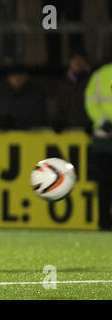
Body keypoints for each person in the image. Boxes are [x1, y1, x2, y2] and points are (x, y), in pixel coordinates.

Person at [84, 61, 112, 231]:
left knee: (105, 183)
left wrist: (104, 123)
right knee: (105, 183)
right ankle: (104, 222)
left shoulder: (99, 75)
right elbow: (91, 101)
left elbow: (91, 103)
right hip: (104, 138)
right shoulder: (100, 74)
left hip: (103, 135)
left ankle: (103, 222)